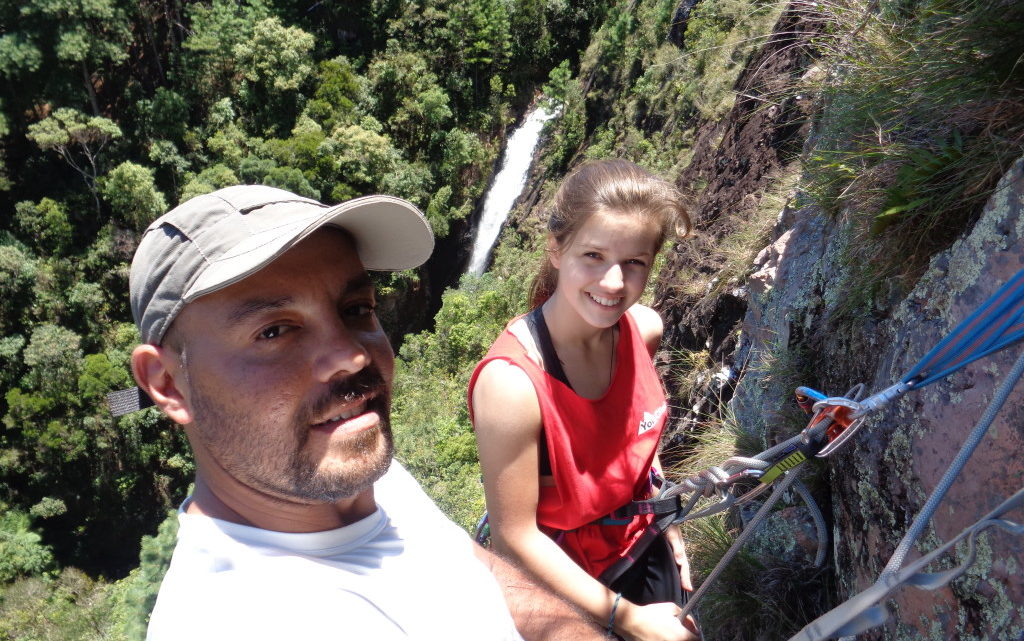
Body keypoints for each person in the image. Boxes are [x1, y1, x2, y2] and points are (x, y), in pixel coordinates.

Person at [109, 185, 605, 640]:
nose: (352, 355)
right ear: (168, 384)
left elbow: (483, 577)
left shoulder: (356, 473)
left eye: (356, 309)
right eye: (274, 332)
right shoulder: (239, 618)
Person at [468, 159, 699, 641]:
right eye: (593, 255)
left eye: (634, 262)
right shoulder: (512, 385)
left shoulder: (642, 331)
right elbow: (515, 538)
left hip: (639, 544)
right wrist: (627, 619)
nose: (614, 283)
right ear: (556, 249)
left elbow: (634, 440)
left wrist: (663, 516)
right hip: (563, 585)